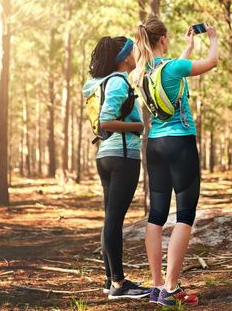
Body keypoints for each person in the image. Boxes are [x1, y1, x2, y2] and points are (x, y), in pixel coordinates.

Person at [133, 17, 218, 307]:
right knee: (184, 214)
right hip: (180, 144)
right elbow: (211, 62)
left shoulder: (141, 73)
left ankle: (157, 286)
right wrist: (213, 38)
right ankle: (171, 286)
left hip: (154, 145)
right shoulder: (174, 68)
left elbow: (169, 72)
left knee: (156, 215)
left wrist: (188, 46)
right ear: (163, 40)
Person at [82, 36, 150, 300]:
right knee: (113, 220)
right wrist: (138, 126)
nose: (135, 56)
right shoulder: (119, 81)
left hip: (106, 155)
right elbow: (107, 121)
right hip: (122, 156)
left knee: (110, 218)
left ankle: (110, 279)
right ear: (123, 58)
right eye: (132, 52)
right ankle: (120, 285)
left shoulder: (100, 83)